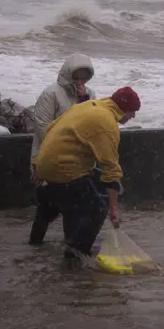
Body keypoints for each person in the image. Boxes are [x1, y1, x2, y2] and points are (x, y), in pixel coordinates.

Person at [33, 86, 140, 263]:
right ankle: (76, 255)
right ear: (123, 109)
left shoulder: (87, 106)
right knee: (97, 208)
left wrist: (39, 164)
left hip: (46, 165)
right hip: (65, 168)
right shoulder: (107, 123)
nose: (133, 117)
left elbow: (51, 128)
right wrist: (113, 209)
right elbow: (111, 169)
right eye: (132, 112)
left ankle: (38, 242)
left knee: (70, 204)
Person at [27, 54, 96, 245]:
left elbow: (91, 122)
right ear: (67, 74)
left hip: (75, 163)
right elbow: (42, 129)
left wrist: (84, 100)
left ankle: (69, 247)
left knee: (72, 209)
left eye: (84, 79)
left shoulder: (89, 95)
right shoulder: (51, 94)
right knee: (46, 208)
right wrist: (40, 165)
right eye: (76, 78)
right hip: (47, 159)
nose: (80, 82)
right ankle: (36, 244)